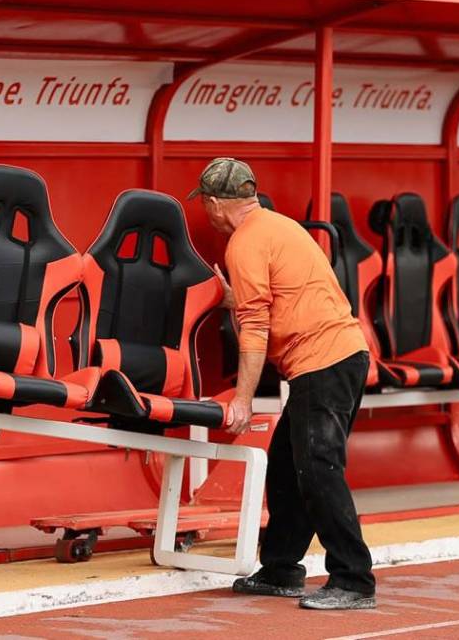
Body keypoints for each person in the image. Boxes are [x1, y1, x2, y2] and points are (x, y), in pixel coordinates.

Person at [190, 157, 375, 610]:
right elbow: (279, 298)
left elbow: (254, 327)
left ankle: (353, 579)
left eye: (206, 207)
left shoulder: (243, 244)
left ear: (215, 204)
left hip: (323, 361)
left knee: (317, 468)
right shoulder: (279, 226)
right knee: (288, 466)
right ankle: (280, 569)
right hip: (341, 354)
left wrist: (243, 400)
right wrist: (238, 299)